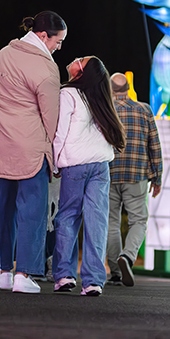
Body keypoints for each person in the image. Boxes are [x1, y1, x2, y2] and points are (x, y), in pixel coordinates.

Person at [0, 11, 66, 294]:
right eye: (58, 41)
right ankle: (24, 274)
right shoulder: (46, 67)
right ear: (43, 36)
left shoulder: (2, 55)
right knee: (32, 211)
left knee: (5, 209)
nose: (58, 47)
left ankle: (5, 270)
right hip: (29, 148)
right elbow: (50, 118)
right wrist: (53, 154)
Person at [52, 57, 126, 296]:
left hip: (75, 164)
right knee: (97, 221)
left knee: (67, 218)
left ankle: (64, 276)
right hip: (101, 165)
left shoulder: (69, 94)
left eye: (78, 60)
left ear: (81, 72)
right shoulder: (101, 97)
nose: (73, 60)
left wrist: (54, 162)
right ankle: (93, 281)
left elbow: (60, 132)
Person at [106, 73, 162, 287]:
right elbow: (154, 144)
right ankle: (127, 257)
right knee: (138, 221)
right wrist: (157, 176)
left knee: (111, 223)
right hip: (136, 175)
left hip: (109, 173)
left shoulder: (105, 110)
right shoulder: (144, 109)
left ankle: (115, 273)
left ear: (111, 90)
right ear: (128, 89)